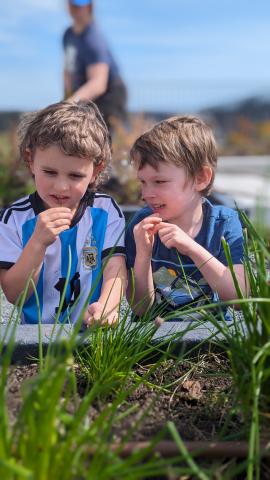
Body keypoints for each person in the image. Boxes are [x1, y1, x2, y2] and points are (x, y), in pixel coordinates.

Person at [0, 101, 126, 325]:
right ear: (31, 161)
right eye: (49, 172)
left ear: (95, 170)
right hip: (36, 346)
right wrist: (37, 243)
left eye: (75, 176)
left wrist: (107, 305)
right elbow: (14, 295)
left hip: (92, 335)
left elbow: (115, 269)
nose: (61, 187)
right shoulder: (15, 219)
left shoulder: (105, 211)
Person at [125, 116, 248, 320]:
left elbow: (238, 298)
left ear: (201, 178)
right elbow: (140, 309)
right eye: (143, 182)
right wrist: (143, 256)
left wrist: (192, 248)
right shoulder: (141, 225)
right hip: (154, 345)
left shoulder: (224, 223)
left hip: (212, 346)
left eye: (159, 181)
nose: (147, 193)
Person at [63, 0, 127, 132]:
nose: (75, 8)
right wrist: (66, 98)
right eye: (72, 4)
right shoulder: (68, 35)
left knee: (99, 141)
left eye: (79, 5)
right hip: (84, 94)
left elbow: (98, 83)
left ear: (89, 7)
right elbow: (68, 68)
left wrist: (71, 102)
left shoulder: (93, 39)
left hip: (109, 96)